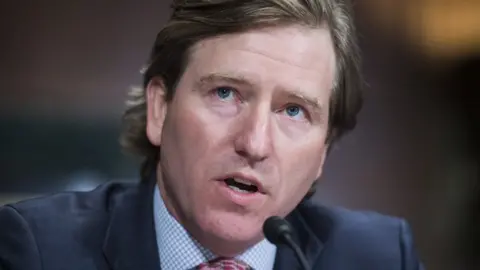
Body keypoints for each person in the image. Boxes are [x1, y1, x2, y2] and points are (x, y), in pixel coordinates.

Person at [0, 0, 424, 269]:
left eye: (293, 110)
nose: (255, 143)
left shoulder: (380, 256)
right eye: (226, 93)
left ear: (323, 154)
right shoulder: (38, 251)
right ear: (160, 109)